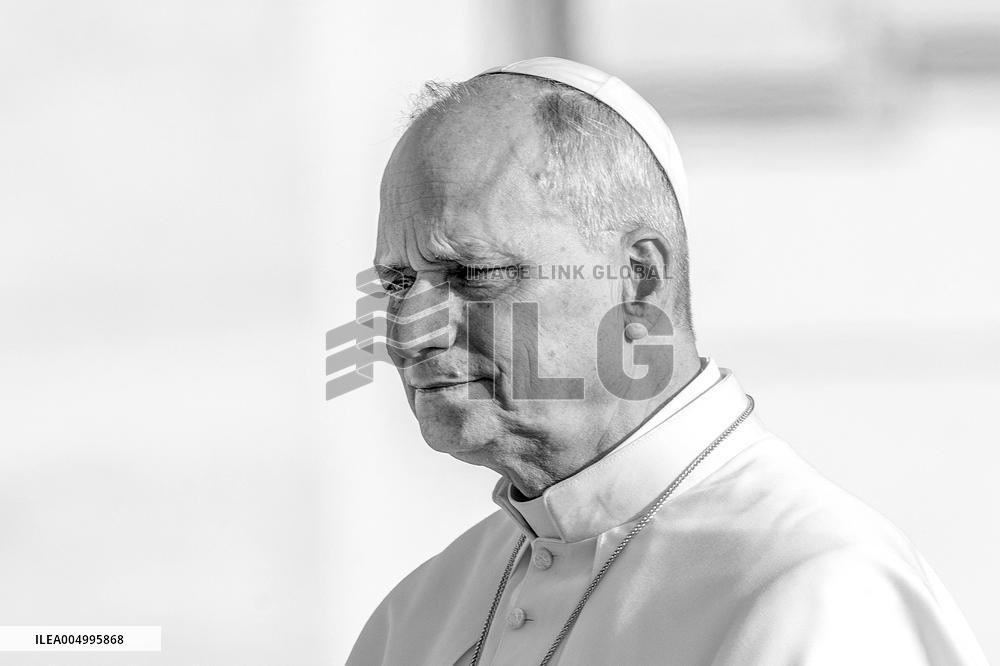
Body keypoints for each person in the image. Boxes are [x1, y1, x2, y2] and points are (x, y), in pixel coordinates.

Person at [347, 57, 987, 665]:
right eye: (399, 283)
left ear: (638, 280)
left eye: (473, 273)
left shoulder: (815, 592)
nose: (409, 331)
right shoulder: (415, 620)